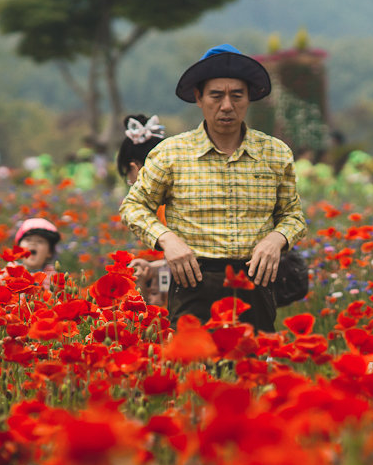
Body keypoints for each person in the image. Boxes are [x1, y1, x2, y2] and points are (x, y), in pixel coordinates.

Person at [120, 44, 307, 331]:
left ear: (249, 98)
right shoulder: (171, 153)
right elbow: (133, 206)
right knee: (195, 370)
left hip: (255, 281)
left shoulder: (275, 153)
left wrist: (276, 239)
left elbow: (293, 215)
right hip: (193, 279)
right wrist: (168, 240)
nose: (227, 106)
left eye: (237, 96)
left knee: (252, 370)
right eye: (216, 96)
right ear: (199, 97)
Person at [116, 113, 169, 307]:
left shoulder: (162, 207)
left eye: (129, 178)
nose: (132, 185)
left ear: (135, 168)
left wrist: (154, 268)